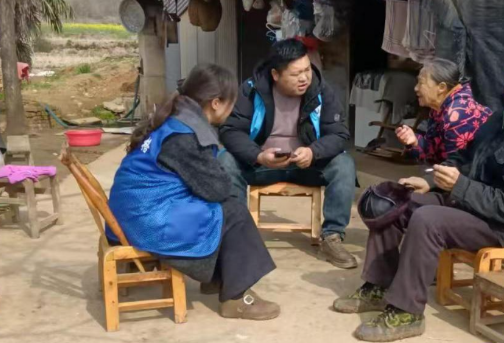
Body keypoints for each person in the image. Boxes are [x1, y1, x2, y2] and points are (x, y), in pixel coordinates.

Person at [334, 53, 504, 341]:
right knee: (393, 200)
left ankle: (407, 312)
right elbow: (462, 158)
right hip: (466, 204)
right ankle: (378, 286)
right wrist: (430, 181)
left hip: (500, 225)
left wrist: (460, 186)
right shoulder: (501, 118)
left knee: (427, 219)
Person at [107, 64, 280, 321]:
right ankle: (236, 298)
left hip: (131, 213)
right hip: (146, 221)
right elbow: (217, 189)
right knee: (233, 210)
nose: (233, 109)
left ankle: (218, 280)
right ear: (216, 103)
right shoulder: (186, 136)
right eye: (232, 103)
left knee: (218, 206)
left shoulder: (176, 120)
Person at [219, 39, 357, 269]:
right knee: (226, 161)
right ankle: (236, 237)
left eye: (307, 70)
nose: (304, 78)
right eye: (296, 74)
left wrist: (313, 152)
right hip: (262, 165)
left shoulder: (321, 90)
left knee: (344, 164)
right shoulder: (252, 89)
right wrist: (258, 155)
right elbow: (230, 130)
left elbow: (339, 133)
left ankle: (332, 236)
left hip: (307, 166)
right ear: (275, 74)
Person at [395, 58, 492, 164]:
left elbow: (454, 167)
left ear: (441, 87)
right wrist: (414, 141)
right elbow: (432, 152)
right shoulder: (440, 108)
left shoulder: (457, 114)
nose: (416, 88)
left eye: (421, 83)